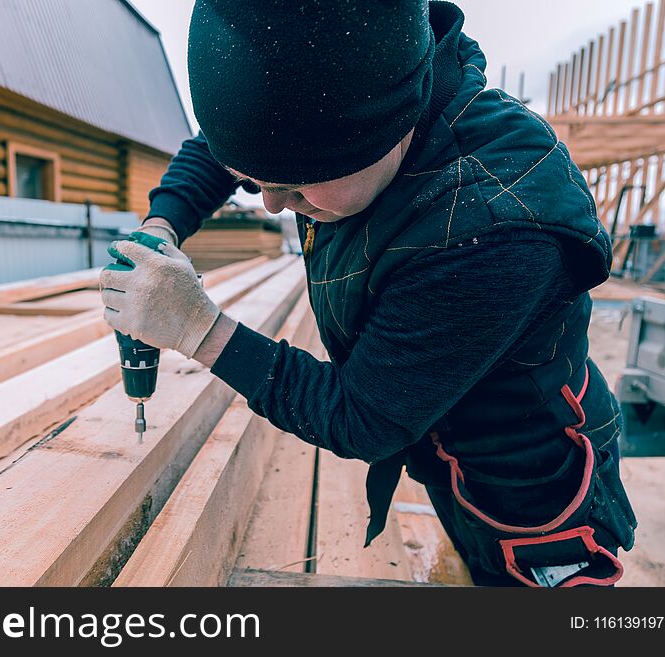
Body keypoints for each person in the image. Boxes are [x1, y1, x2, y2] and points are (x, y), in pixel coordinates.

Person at [99, 0, 637, 587]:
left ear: (384, 128)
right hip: (442, 446)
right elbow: (230, 144)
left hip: (529, 497)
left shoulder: (492, 229)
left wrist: (198, 330)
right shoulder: (341, 104)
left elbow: (365, 417)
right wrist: (162, 225)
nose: (274, 204)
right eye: (258, 182)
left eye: (294, 185)